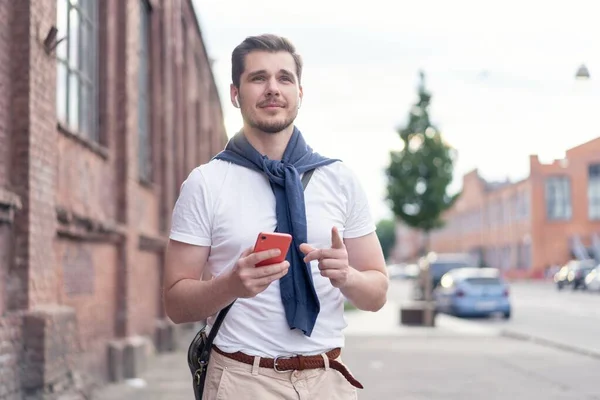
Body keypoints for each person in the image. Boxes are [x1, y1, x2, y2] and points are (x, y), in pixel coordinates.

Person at [163, 33, 389, 400]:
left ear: (300, 92)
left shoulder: (340, 179)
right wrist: (230, 285)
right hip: (241, 380)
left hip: (328, 380)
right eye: (258, 78)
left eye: (284, 78)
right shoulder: (206, 182)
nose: (273, 88)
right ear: (235, 94)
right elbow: (175, 303)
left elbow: (377, 293)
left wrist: (346, 276)